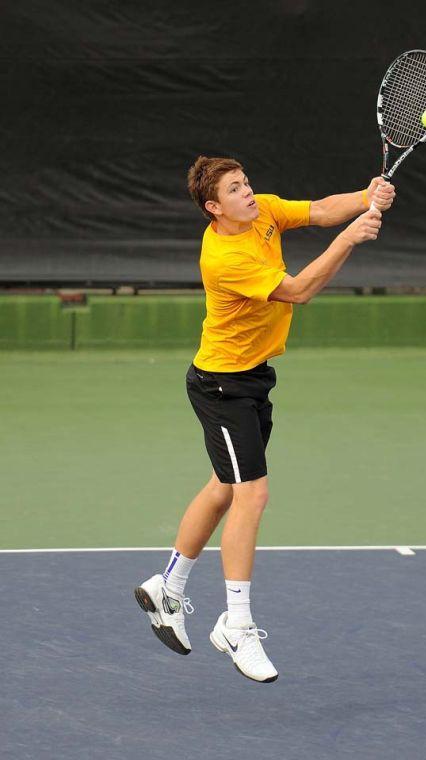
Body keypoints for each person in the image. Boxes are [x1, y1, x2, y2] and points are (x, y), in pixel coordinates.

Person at [135, 156, 395, 683]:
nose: (249, 192)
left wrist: (366, 196)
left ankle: (169, 584)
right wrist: (351, 239)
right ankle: (237, 622)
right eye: (236, 189)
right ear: (214, 207)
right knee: (252, 493)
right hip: (222, 385)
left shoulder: (261, 213)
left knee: (224, 488)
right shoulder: (225, 257)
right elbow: (297, 289)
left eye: (247, 182)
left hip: (251, 378)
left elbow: (320, 210)